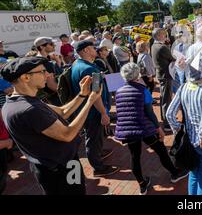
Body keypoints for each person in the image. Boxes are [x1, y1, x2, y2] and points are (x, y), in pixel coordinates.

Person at [1, 57, 103, 195]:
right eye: (42, 71)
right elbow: (67, 134)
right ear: (25, 77)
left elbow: (63, 112)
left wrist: (82, 95)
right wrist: (91, 101)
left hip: (62, 164)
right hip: (58, 169)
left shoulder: (21, 100)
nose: (48, 74)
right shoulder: (28, 108)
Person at [115, 63, 188, 195]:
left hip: (128, 130)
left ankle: (142, 184)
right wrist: (158, 128)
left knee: (134, 156)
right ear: (137, 75)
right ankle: (174, 173)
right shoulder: (143, 90)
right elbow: (149, 112)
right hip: (144, 128)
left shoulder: (119, 91)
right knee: (160, 150)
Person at [166, 55, 202, 195]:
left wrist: (178, 131)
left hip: (189, 139)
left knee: (194, 173)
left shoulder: (183, 88)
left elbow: (169, 114)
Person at [70, 40, 119, 177]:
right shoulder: (88, 68)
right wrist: (104, 113)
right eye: (92, 48)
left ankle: (98, 152)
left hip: (89, 109)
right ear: (85, 50)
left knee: (95, 136)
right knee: (93, 137)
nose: (95, 50)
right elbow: (95, 93)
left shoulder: (80, 64)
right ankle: (98, 167)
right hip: (94, 111)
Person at [151, 28, 176, 132]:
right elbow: (172, 58)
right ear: (158, 36)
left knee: (163, 98)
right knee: (167, 99)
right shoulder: (162, 47)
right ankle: (167, 123)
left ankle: (164, 118)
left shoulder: (154, 45)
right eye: (163, 34)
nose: (165, 35)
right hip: (166, 75)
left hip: (161, 74)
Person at [34, 37, 63, 105]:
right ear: (41, 47)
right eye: (51, 44)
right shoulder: (45, 62)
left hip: (46, 98)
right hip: (52, 97)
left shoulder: (37, 59)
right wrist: (66, 94)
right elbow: (51, 85)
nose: (54, 45)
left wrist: (58, 61)